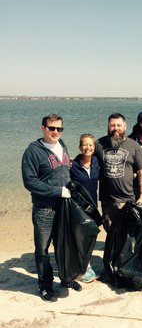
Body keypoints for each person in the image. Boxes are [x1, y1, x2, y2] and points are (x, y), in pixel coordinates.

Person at [21, 114, 82, 302]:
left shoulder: (62, 144)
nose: (55, 132)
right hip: (44, 209)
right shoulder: (33, 151)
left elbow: (66, 171)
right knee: (43, 250)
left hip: (64, 206)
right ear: (43, 128)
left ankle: (66, 278)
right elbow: (30, 182)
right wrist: (57, 191)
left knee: (64, 245)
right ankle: (45, 286)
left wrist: (70, 188)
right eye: (52, 128)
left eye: (59, 129)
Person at [95, 113, 142, 232]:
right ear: (108, 126)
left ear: (125, 127)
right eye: (112, 125)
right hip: (107, 201)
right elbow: (86, 160)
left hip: (128, 199)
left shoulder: (134, 146)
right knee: (111, 234)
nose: (116, 128)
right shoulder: (99, 144)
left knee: (128, 235)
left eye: (119, 125)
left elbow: (141, 172)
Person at [70, 134, 100, 283]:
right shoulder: (72, 165)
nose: (87, 147)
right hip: (78, 208)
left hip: (93, 206)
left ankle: (85, 266)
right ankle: (83, 269)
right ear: (80, 147)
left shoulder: (96, 162)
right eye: (84, 145)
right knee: (81, 238)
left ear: (94, 148)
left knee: (91, 236)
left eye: (90, 145)